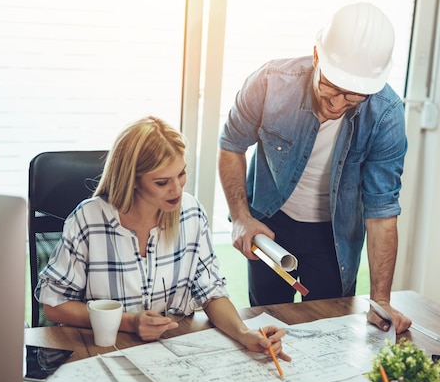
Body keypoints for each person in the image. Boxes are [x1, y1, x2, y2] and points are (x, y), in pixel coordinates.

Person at [218, 2, 412, 334]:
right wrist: (240, 217)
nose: (337, 105)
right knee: (266, 326)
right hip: (271, 225)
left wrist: (381, 301)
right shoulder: (270, 82)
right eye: (331, 88)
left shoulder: (386, 114)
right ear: (316, 56)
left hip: (333, 237)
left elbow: (382, 213)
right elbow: (231, 143)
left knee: (327, 334)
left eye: (353, 98)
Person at [35, 116, 290, 361]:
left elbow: (211, 293)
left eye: (181, 174)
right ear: (132, 180)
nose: (177, 190)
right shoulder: (88, 219)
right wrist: (130, 322)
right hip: (102, 351)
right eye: (161, 182)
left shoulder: (191, 213)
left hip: (173, 351)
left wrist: (244, 334)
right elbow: (55, 306)